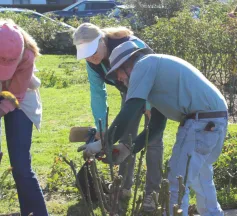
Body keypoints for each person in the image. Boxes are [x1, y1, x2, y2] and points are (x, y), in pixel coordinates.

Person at [82, 41, 229, 215]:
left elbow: (131, 108)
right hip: (213, 119)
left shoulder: (144, 64)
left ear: (128, 63)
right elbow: (157, 125)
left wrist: (102, 143)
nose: (119, 80)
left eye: (118, 74)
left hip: (200, 122)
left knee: (176, 183)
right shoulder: (156, 72)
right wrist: (128, 149)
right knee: (200, 178)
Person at [73, 23, 163, 210]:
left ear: (102, 41)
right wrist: (102, 128)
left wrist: (148, 104)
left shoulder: (130, 44)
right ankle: (124, 186)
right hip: (129, 95)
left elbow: (153, 72)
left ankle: (152, 193)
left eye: (93, 50)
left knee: (152, 140)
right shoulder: (92, 63)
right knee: (124, 138)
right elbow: (97, 92)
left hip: (154, 92)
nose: (91, 56)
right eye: (86, 53)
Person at [0, 19, 48, 215]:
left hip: (21, 99)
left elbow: (15, 95)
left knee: (20, 165)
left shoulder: (26, 55)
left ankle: (35, 213)